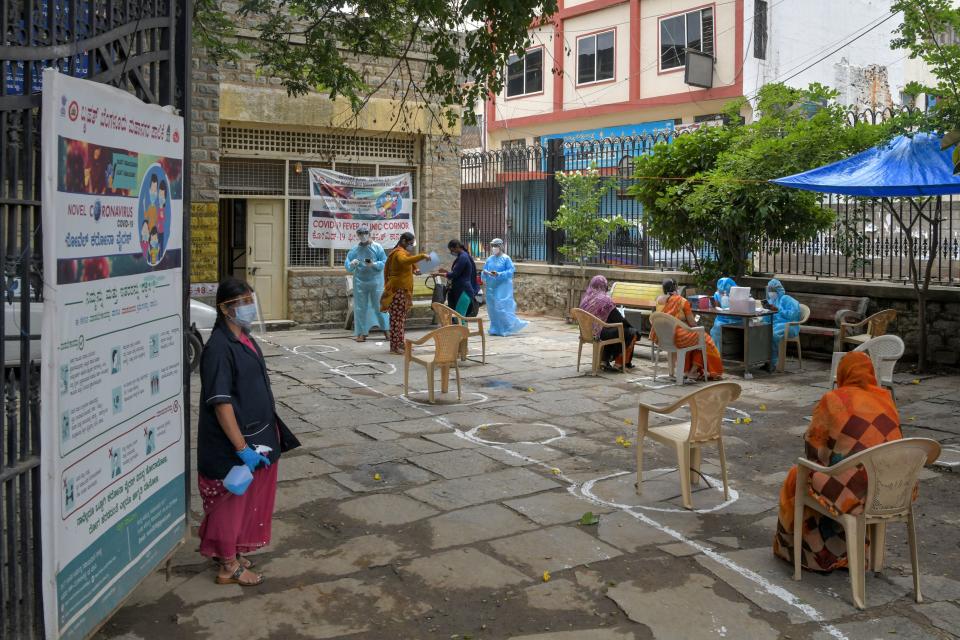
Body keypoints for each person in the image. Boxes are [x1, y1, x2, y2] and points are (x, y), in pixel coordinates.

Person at [198, 277, 299, 586]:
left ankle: (232, 550)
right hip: (232, 443)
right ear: (225, 308)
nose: (249, 307)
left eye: (250, 300)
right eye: (242, 302)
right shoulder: (218, 348)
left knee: (246, 500)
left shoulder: (244, 337)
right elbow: (221, 403)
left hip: (259, 436)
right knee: (230, 502)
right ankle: (228, 565)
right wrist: (241, 447)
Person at [773, 352, 904, 572]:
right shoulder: (886, 398)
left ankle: (812, 555)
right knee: (836, 474)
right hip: (892, 489)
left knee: (799, 476)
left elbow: (814, 451)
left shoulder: (834, 400)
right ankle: (854, 553)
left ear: (843, 374)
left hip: (853, 494)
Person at [651, 278, 723, 380]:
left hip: (662, 337)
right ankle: (693, 371)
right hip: (678, 338)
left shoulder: (658, 300)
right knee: (705, 340)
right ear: (676, 287)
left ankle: (685, 371)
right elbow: (692, 323)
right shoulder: (682, 301)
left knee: (697, 340)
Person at [381, 232, 428, 354]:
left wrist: (417, 270)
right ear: (403, 241)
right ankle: (394, 347)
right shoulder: (398, 253)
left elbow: (410, 265)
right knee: (396, 319)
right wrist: (422, 256)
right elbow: (404, 261)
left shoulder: (404, 253)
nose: (411, 246)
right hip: (397, 291)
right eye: (410, 244)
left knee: (400, 319)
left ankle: (400, 344)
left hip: (403, 291)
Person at [578, 275, 638, 370]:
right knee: (631, 332)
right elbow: (618, 319)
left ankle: (604, 361)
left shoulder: (585, 299)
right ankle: (620, 364)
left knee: (612, 329)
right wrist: (632, 327)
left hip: (587, 333)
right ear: (604, 286)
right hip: (599, 334)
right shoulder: (604, 300)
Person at [345, 226, 389, 342]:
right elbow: (348, 266)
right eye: (360, 234)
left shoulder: (377, 247)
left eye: (365, 233)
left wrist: (374, 264)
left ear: (369, 234)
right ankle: (361, 333)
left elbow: (385, 263)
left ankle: (387, 331)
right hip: (360, 281)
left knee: (379, 306)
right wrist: (352, 264)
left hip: (376, 282)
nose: (363, 236)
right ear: (358, 235)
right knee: (360, 307)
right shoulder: (355, 250)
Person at [481, 238, 528, 336]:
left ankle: (507, 327)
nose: (494, 248)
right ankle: (495, 328)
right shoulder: (490, 259)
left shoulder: (506, 258)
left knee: (502, 306)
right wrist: (485, 274)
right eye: (493, 246)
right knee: (492, 308)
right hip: (491, 287)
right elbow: (484, 270)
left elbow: (510, 271)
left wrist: (499, 274)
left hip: (503, 287)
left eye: (496, 246)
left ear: (501, 246)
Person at [766, 278, 801, 369]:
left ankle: (772, 363)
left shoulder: (786, 299)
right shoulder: (771, 301)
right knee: (760, 331)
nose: (770, 293)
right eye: (769, 290)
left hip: (789, 326)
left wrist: (779, 310)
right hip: (776, 325)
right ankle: (763, 360)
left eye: (772, 290)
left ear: (778, 290)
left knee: (772, 335)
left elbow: (794, 314)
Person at [439, 239, 478, 317]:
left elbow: (455, 274)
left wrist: (442, 274)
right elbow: (460, 272)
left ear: (457, 247)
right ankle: (461, 328)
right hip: (461, 288)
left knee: (461, 315)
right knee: (459, 314)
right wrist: (446, 272)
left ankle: (462, 329)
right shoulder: (462, 256)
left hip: (463, 290)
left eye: (452, 250)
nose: (451, 252)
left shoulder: (463, 257)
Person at [709, 277, 739, 352]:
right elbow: (716, 306)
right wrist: (714, 304)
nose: (723, 293)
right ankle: (717, 354)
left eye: (725, 291)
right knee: (715, 330)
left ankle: (718, 354)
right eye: (721, 292)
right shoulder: (717, 294)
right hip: (721, 319)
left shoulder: (738, 293)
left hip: (736, 320)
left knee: (717, 329)